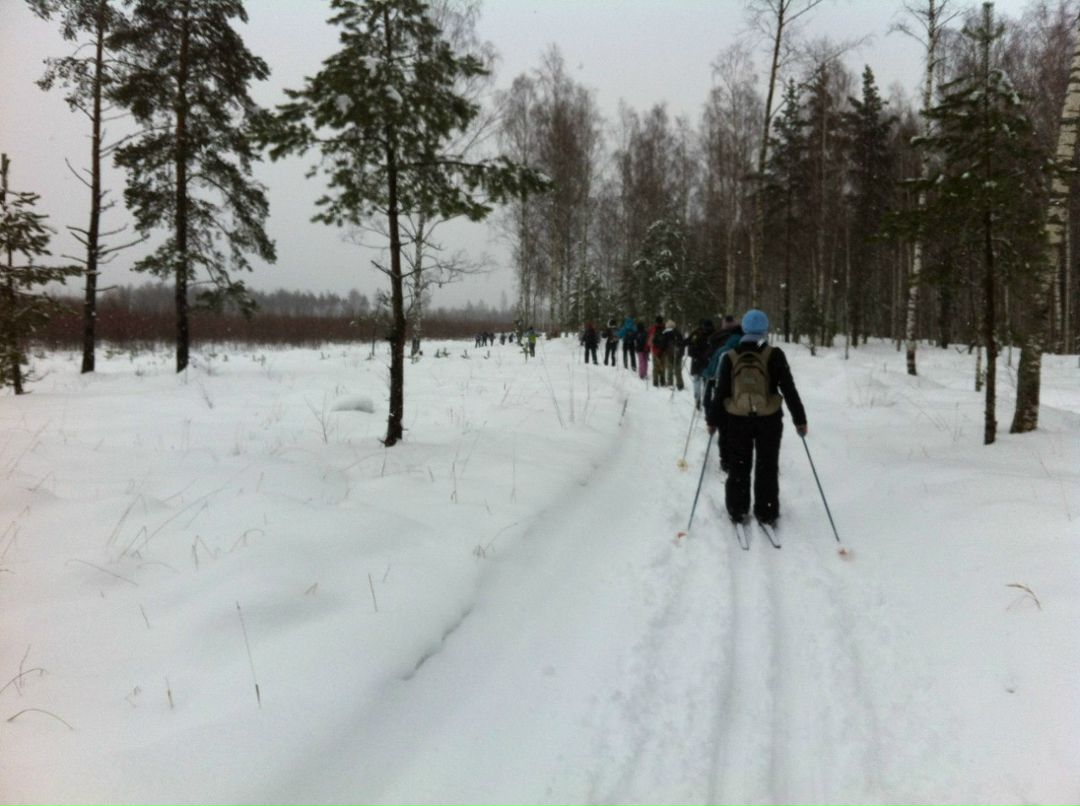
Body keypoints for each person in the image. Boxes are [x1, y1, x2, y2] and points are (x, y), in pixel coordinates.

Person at [705, 309, 807, 526]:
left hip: (737, 420)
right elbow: (789, 389)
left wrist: (713, 421)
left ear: (745, 329)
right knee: (767, 465)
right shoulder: (774, 354)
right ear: (764, 329)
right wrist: (800, 420)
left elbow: (722, 392)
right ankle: (766, 511)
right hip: (769, 420)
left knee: (739, 465)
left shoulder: (731, 355)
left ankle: (737, 509)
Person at [686, 319, 716, 410]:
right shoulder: (714, 334)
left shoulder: (697, 333)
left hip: (698, 362)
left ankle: (699, 399)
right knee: (705, 382)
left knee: (698, 381)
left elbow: (689, 346)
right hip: (707, 361)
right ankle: (704, 400)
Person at [648, 316, 666, 387]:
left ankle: (655, 382)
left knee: (655, 367)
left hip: (655, 350)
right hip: (663, 350)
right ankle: (662, 381)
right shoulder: (665, 329)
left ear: (656, 321)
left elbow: (649, 341)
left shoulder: (653, 329)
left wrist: (650, 347)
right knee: (663, 366)